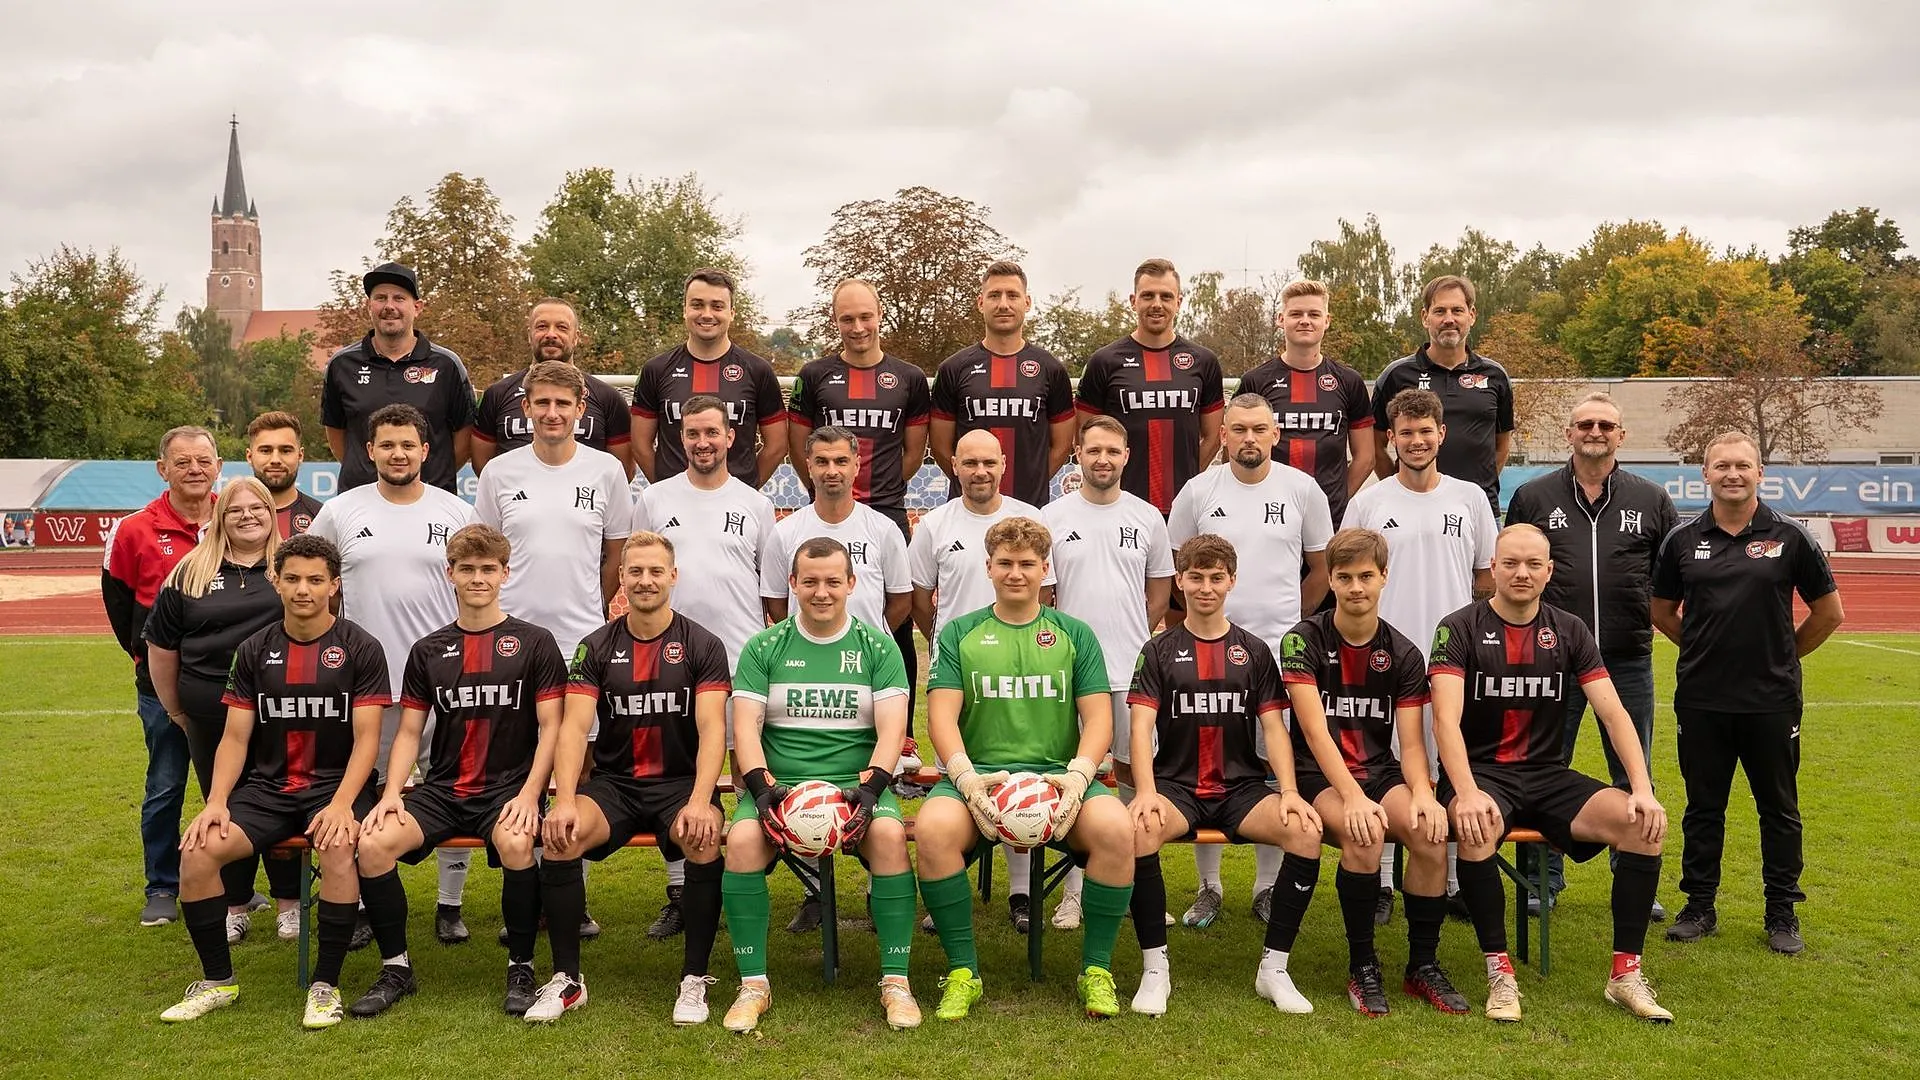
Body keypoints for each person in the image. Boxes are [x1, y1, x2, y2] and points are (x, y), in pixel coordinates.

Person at [1430, 525, 1673, 1024]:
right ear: (1493, 568)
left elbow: (1614, 713)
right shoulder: (1458, 628)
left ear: (1549, 571)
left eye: (1533, 564)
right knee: (1477, 826)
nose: (1521, 573)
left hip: (1546, 773)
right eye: (1511, 563)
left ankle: (1625, 975)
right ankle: (1500, 974)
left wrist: (1642, 789)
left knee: (1641, 825)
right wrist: (1467, 792)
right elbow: (1444, 721)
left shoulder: (1570, 629)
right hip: (1479, 774)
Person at [160, 534, 389, 1028]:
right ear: (276, 582)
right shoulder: (253, 650)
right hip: (268, 789)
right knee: (198, 851)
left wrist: (343, 804)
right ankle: (218, 982)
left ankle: (325, 986)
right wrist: (216, 801)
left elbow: (367, 740)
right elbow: (234, 738)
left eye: (315, 580)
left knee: (337, 845)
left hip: (335, 787)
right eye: (293, 579)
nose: (303, 589)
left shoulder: (361, 648)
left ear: (334, 585)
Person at [916, 517, 1134, 1021]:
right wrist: (965, 777)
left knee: (1116, 827)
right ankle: (963, 972)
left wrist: (1079, 775)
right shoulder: (960, 632)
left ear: (1045, 569)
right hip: (981, 778)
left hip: (1057, 778)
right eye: (1006, 563)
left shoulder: (1074, 634)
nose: (1016, 573)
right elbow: (941, 716)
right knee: (932, 828)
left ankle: (1097, 969)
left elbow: (1099, 718)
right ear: (988, 567)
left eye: (1027, 564)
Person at [347, 524, 568, 1019]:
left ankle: (521, 966)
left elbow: (552, 727)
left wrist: (531, 795)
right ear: (450, 574)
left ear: (505, 573)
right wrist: (392, 791)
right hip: (443, 789)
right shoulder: (428, 649)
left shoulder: (534, 642)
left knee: (517, 843)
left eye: (488, 569)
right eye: (467, 569)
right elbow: (409, 732)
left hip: (509, 789)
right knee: (374, 843)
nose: (477, 578)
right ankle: (396, 968)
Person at [1652, 431, 1843, 955]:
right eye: (1721, 466)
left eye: (1742, 465)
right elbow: (1661, 611)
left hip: (1771, 701)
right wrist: (1702, 648)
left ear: (1760, 473)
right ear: (1705, 475)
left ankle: (1782, 912)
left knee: (1778, 809)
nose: (1732, 474)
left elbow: (1829, 613)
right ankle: (1699, 907)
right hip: (1702, 699)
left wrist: (1783, 656)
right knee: (1703, 808)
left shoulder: (1791, 536)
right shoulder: (1681, 540)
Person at [722, 537, 920, 1033]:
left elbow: (892, 731)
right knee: (741, 841)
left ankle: (896, 982)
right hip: (781, 787)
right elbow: (745, 729)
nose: (821, 592)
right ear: (792, 584)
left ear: (851, 583)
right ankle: (753, 985)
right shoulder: (764, 647)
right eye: (809, 581)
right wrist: (761, 792)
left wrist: (871, 793)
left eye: (833, 581)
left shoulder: (878, 647)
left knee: (890, 836)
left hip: (855, 787)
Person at [1125, 535, 1326, 1017]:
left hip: (1241, 789)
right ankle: (1155, 969)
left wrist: (1290, 792)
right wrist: (1146, 791)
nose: (1206, 587)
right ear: (1179, 581)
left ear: (1232, 580)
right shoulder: (1158, 650)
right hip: (1178, 787)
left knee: (1304, 831)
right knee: (1138, 830)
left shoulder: (1253, 651)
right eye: (1196, 577)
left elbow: (1274, 729)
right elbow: (1139, 728)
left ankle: (1274, 969)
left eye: (1216, 578)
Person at [539, 531, 732, 1025]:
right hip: (616, 786)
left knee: (703, 837)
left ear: (673, 576)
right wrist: (564, 799)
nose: (646, 580)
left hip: (680, 783)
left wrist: (701, 800)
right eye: (636, 571)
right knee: (561, 836)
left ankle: (694, 979)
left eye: (655, 571)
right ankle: (567, 980)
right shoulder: (595, 646)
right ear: (621, 578)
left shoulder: (703, 644)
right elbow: (573, 727)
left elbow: (713, 729)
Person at [474, 359, 635, 939]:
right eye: (541, 402)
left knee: (578, 765)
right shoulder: (499, 472)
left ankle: (570, 895)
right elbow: (486, 553)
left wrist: (594, 603)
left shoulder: (606, 471)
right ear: (525, 408)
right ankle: (524, 892)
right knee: (515, 760)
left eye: (563, 404)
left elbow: (615, 551)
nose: (551, 413)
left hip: (578, 640)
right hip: (511, 640)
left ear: (581, 410)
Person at [307, 403, 478, 943]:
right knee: (362, 791)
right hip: (367, 688)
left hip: (444, 683)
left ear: (426, 451)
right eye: (387, 444)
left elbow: (477, 593)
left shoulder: (457, 512)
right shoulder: (340, 512)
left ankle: (450, 903)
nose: (398, 454)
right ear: (369, 451)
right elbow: (318, 587)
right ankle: (357, 901)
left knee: (455, 788)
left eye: (408, 445)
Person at [1279, 528, 1467, 1017]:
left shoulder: (1403, 652)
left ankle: (1422, 964)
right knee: (1363, 836)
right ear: (1331, 581)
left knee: (1429, 834)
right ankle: (1362, 965)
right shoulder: (1302, 640)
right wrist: (1353, 797)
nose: (1356, 587)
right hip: (1319, 776)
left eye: (1366, 576)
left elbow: (1411, 743)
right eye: (1344, 577)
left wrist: (1422, 792)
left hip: (1379, 772)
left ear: (1384, 576)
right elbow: (1315, 733)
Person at [1504, 393, 1679, 914]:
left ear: (1621, 435)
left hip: (1627, 658)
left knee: (1633, 770)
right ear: (1569, 433)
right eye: (1585, 424)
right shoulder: (1534, 496)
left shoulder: (1651, 498)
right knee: (1542, 769)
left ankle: (1636, 871)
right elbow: (1515, 567)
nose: (1595, 431)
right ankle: (1542, 880)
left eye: (1605, 424)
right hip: (1550, 660)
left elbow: (1671, 578)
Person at [1167, 394, 1333, 924]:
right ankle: (1208, 887)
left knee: (1271, 764)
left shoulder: (1302, 489)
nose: (1249, 439)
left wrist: (1293, 622)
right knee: (1206, 764)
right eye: (1238, 429)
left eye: (1259, 429)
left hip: (1277, 655)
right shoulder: (1199, 490)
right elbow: (1176, 566)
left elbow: (1321, 568)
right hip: (1207, 653)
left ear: (1275, 434)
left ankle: (1266, 887)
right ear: (1223, 435)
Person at [1342, 388, 1498, 921]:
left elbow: (1484, 578)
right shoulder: (1370, 502)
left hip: (1452, 657)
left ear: (1441, 435)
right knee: (1387, 764)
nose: (1416, 441)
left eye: (1425, 431)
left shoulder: (1469, 498)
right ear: (1391, 438)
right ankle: (1384, 880)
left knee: (1449, 761)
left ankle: (1451, 879)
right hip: (1385, 657)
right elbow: (1352, 577)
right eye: (1406, 433)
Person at [785, 279, 932, 792]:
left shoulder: (908, 378)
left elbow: (913, 451)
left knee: (895, 629)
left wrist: (880, 493)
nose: (858, 326)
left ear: (879, 315)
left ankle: (901, 741)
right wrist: (825, 486)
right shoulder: (814, 375)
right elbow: (799, 444)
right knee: (820, 608)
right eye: (847, 318)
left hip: (884, 509)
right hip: (824, 513)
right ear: (836, 320)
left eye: (865, 316)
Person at [908, 428, 1053, 931]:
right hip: (959, 668)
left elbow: (1044, 594)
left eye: (988, 462)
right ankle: (951, 890)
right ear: (953, 465)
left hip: (1021, 666)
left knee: (1020, 771)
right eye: (969, 463)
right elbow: (921, 597)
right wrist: (952, 644)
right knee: (962, 771)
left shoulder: (1030, 517)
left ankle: (1021, 893)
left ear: (1003, 464)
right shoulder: (934, 524)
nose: (980, 472)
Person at [144, 477, 296, 945]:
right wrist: (176, 709)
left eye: (258, 507)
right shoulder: (189, 572)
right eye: (235, 510)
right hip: (211, 714)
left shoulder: (292, 566)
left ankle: (290, 903)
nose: (248, 516)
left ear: (272, 513)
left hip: (284, 712)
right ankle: (235, 904)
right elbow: (161, 647)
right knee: (223, 804)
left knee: (284, 800)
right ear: (220, 517)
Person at [1039, 416, 1174, 929]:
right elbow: (1044, 599)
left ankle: (1137, 887)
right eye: (1093, 450)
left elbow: (1158, 593)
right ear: (1077, 453)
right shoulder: (1052, 516)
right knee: (1075, 778)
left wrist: (1134, 638)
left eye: (1112, 451)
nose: (1103, 459)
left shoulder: (1147, 517)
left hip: (1130, 672)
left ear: (1126, 456)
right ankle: (1073, 892)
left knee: (1135, 776)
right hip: (1071, 675)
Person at [103, 424, 220, 927]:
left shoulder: (236, 516)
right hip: (162, 688)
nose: (194, 469)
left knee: (232, 789)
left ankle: (234, 888)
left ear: (219, 466)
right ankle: (162, 885)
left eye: (204, 460)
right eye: (183, 461)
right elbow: (120, 605)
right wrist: (147, 660)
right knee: (167, 786)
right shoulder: (134, 529)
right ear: (162, 469)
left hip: (227, 686)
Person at [1074, 258, 1224, 515]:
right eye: (1147, 296)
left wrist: (1187, 480)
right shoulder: (1104, 361)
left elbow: (1212, 437)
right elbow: (1083, 434)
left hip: (1184, 506)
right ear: (1134, 301)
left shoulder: (1204, 361)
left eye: (1166, 296)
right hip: (1119, 505)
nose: (1157, 304)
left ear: (1179, 301)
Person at [929, 260, 1075, 509]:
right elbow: (941, 447)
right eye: (994, 295)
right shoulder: (953, 368)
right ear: (980, 303)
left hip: (1030, 507)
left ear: (1027, 302)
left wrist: (1033, 482)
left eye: (1012, 295)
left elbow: (1062, 445)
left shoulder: (1051, 369)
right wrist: (973, 483)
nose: (1003, 304)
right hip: (970, 508)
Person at [320, 262, 476, 494]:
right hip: (361, 498)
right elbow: (336, 435)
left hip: (431, 497)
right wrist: (369, 474)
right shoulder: (342, 364)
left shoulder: (446, 365)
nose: (389, 306)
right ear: (369, 306)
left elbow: (464, 437)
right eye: (381, 298)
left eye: (399, 298)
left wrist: (431, 476)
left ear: (417, 307)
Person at [631, 269, 787, 488]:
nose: (706, 314)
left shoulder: (758, 370)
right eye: (697, 305)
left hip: (735, 501)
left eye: (717, 306)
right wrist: (664, 489)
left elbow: (777, 445)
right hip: (673, 500)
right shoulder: (655, 369)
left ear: (732, 312)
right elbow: (640, 444)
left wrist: (746, 490)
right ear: (685, 310)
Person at [1237, 279, 1374, 528]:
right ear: (1281, 319)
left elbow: (1365, 457)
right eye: (1296, 314)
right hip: (1268, 516)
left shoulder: (1348, 381)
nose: (1305, 320)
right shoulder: (1255, 381)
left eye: (1314, 314)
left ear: (1327, 321)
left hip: (1330, 520)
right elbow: (1234, 450)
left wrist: (1336, 501)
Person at [1370, 275, 1513, 513]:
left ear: (1471, 315)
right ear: (1425, 317)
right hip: (1410, 508)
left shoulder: (1495, 375)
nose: (1449, 319)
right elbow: (1375, 445)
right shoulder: (1396, 375)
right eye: (1439, 311)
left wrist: (1474, 492)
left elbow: (1501, 447)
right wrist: (1399, 488)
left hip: (1478, 511)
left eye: (1457, 310)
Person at [765, 427, 912, 651]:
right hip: (804, 654)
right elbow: (776, 602)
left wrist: (865, 640)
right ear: (809, 467)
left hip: (864, 657)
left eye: (841, 461)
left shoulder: (884, 530)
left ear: (856, 465)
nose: (832, 471)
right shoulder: (784, 532)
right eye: (822, 462)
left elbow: (901, 601)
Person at [472, 298, 634, 479]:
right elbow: (483, 467)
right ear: (529, 334)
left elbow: (623, 472)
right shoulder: (497, 394)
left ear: (576, 337)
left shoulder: (608, 398)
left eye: (562, 328)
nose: (551, 334)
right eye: (542, 326)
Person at [244, 411, 323, 537]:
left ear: (300, 456)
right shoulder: (227, 515)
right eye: (265, 451)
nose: (275, 460)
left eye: (285, 451)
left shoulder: (321, 517)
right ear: (249, 456)